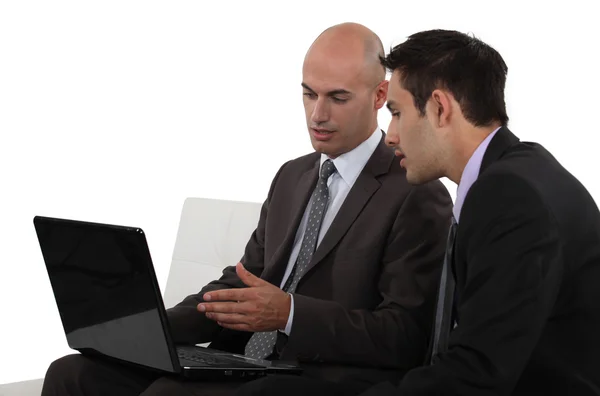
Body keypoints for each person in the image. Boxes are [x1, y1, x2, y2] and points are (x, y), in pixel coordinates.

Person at [40, 23, 453, 396]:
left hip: (323, 375)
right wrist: (147, 327)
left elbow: (405, 335)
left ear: (381, 94)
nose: (317, 114)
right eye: (308, 94)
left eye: (337, 98)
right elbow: (241, 284)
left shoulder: (416, 190)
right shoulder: (293, 176)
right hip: (244, 362)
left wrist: (290, 314)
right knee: (72, 375)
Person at [236, 28, 600, 396]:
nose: (390, 134)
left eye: (396, 113)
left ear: (440, 109)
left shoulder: (508, 197)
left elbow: (476, 374)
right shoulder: (518, 173)